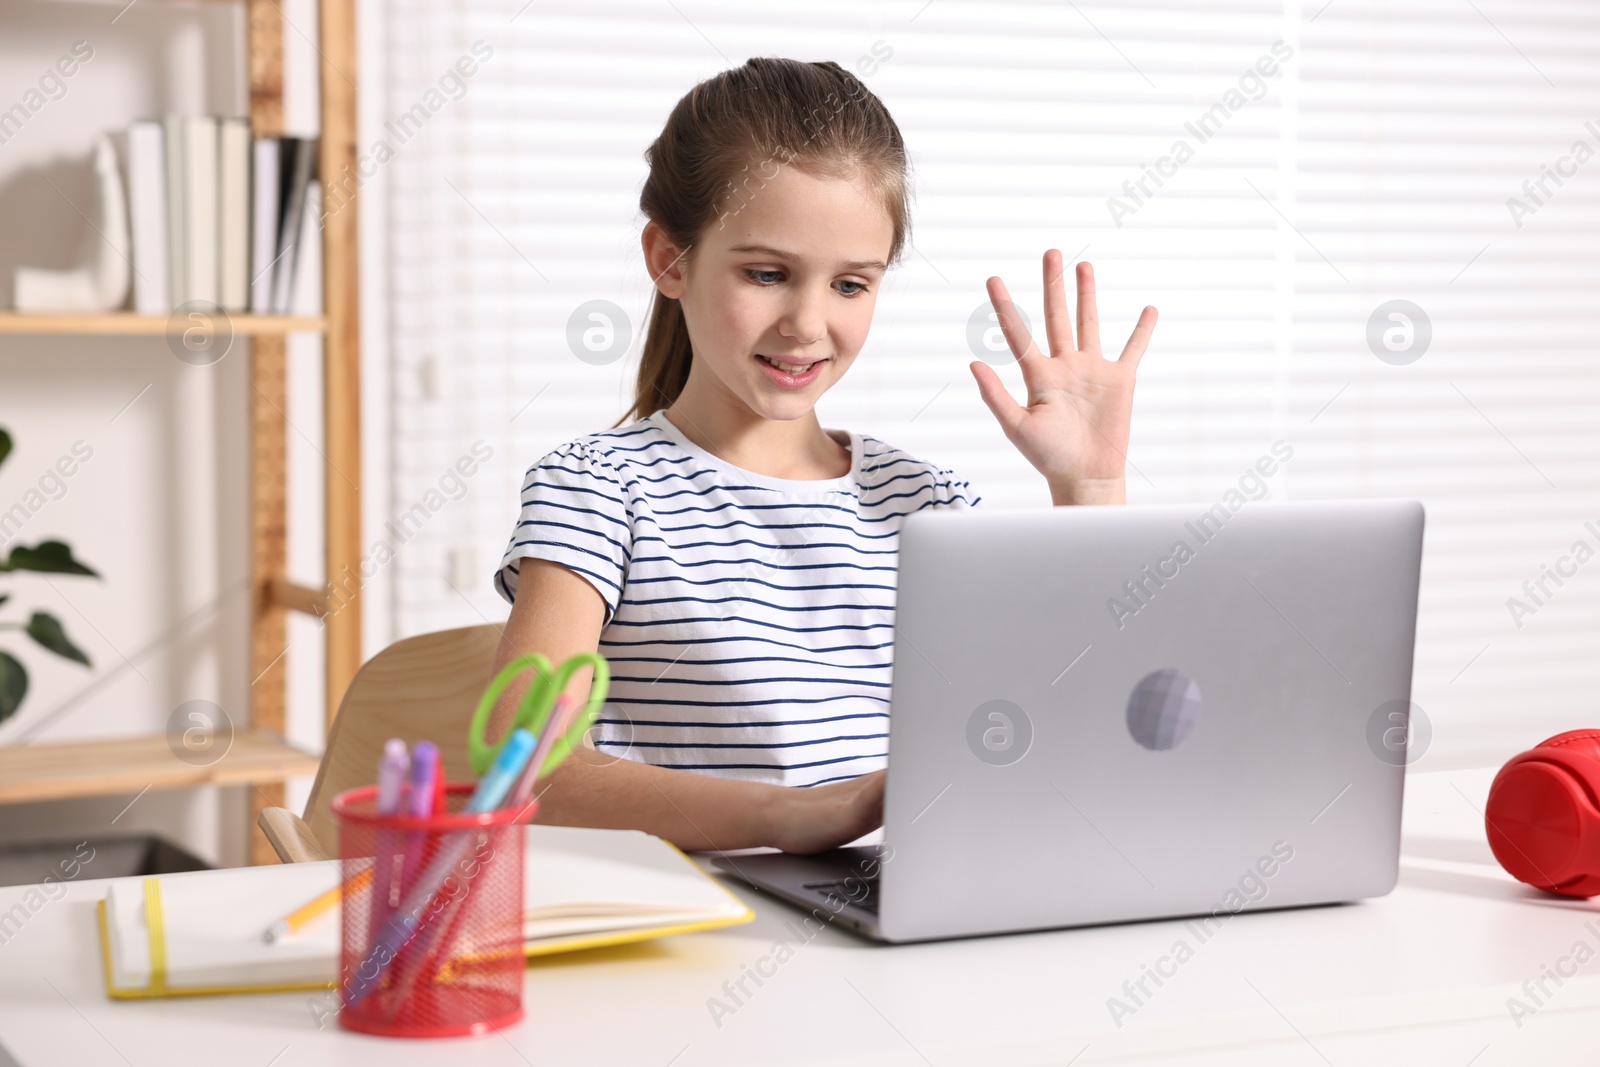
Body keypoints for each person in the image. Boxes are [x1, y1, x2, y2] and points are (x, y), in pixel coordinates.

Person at [488, 56, 1157, 854]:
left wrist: (1090, 487)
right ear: (670, 260)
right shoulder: (598, 490)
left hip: (897, 913)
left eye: (850, 285)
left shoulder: (927, 504)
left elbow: (1080, 729)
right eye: (767, 274)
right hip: (695, 923)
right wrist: (791, 814)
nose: (807, 322)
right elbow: (525, 764)